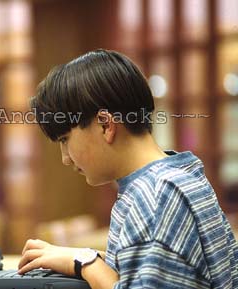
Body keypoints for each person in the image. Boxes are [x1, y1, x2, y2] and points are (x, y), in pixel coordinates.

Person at [17, 49, 238, 289]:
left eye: (65, 139)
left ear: (105, 125)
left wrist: (87, 264)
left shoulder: (155, 198)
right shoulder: (177, 176)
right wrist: (84, 257)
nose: (66, 159)